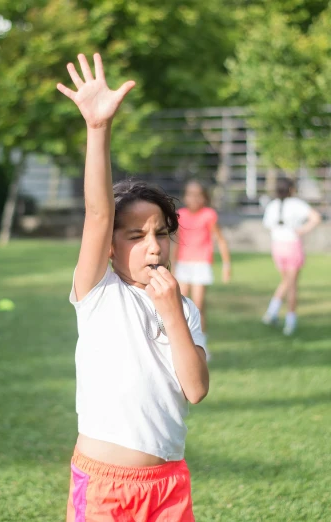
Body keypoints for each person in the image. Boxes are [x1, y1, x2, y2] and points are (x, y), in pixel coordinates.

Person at [57, 53, 209, 522]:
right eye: (136, 235)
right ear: (108, 248)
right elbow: (99, 214)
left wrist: (172, 313)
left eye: (161, 233)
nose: (153, 246)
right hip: (104, 484)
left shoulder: (182, 307)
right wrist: (98, 128)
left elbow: (197, 389)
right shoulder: (99, 292)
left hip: (167, 485)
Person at [171, 180, 231, 342]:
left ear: (204, 197)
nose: (194, 198)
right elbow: (176, 241)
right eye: (190, 194)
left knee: (197, 305)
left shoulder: (208, 215)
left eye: (198, 195)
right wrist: (172, 265)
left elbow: (220, 239)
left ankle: (200, 342)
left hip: (201, 264)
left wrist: (226, 265)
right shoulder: (180, 215)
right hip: (183, 264)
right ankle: (181, 340)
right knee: (180, 305)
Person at [261, 177, 322, 335]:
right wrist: (303, 230)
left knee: (286, 282)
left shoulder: (272, 205)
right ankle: (289, 321)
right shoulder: (296, 204)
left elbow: (268, 226)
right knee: (291, 285)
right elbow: (316, 218)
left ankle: (272, 312)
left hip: (278, 247)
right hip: (292, 246)